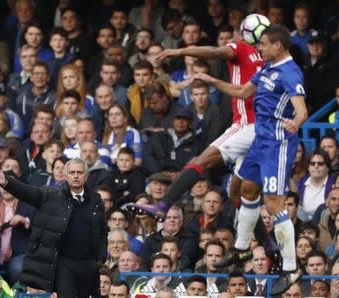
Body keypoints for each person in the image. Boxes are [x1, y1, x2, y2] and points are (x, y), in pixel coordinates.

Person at [195, 24, 308, 295]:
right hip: (260, 139)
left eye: (264, 44)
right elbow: (244, 92)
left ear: (278, 46)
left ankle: (291, 267)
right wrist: (213, 82)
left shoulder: (291, 72)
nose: (260, 48)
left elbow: (302, 109)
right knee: (247, 188)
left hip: (278, 145)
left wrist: (297, 122)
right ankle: (241, 250)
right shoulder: (267, 67)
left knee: (274, 203)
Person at [129, 13, 266, 218]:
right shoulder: (267, 60)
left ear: (243, 34)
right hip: (263, 129)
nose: (231, 39)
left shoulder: (241, 47)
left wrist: (180, 50)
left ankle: (163, 204)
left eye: (235, 34)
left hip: (247, 124)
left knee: (201, 161)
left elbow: (214, 51)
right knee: (238, 192)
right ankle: (265, 241)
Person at [0, 158, 107, 297]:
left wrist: (101, 257)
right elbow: (27, 192)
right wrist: (7, 182)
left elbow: (102, 230)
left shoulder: (96, 199)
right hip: (64, 264)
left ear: (86, 176)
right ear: (66, 175)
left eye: (79, 172)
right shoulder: (51, 195)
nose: (75, 176)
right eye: (72, 172)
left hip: (88, 263)